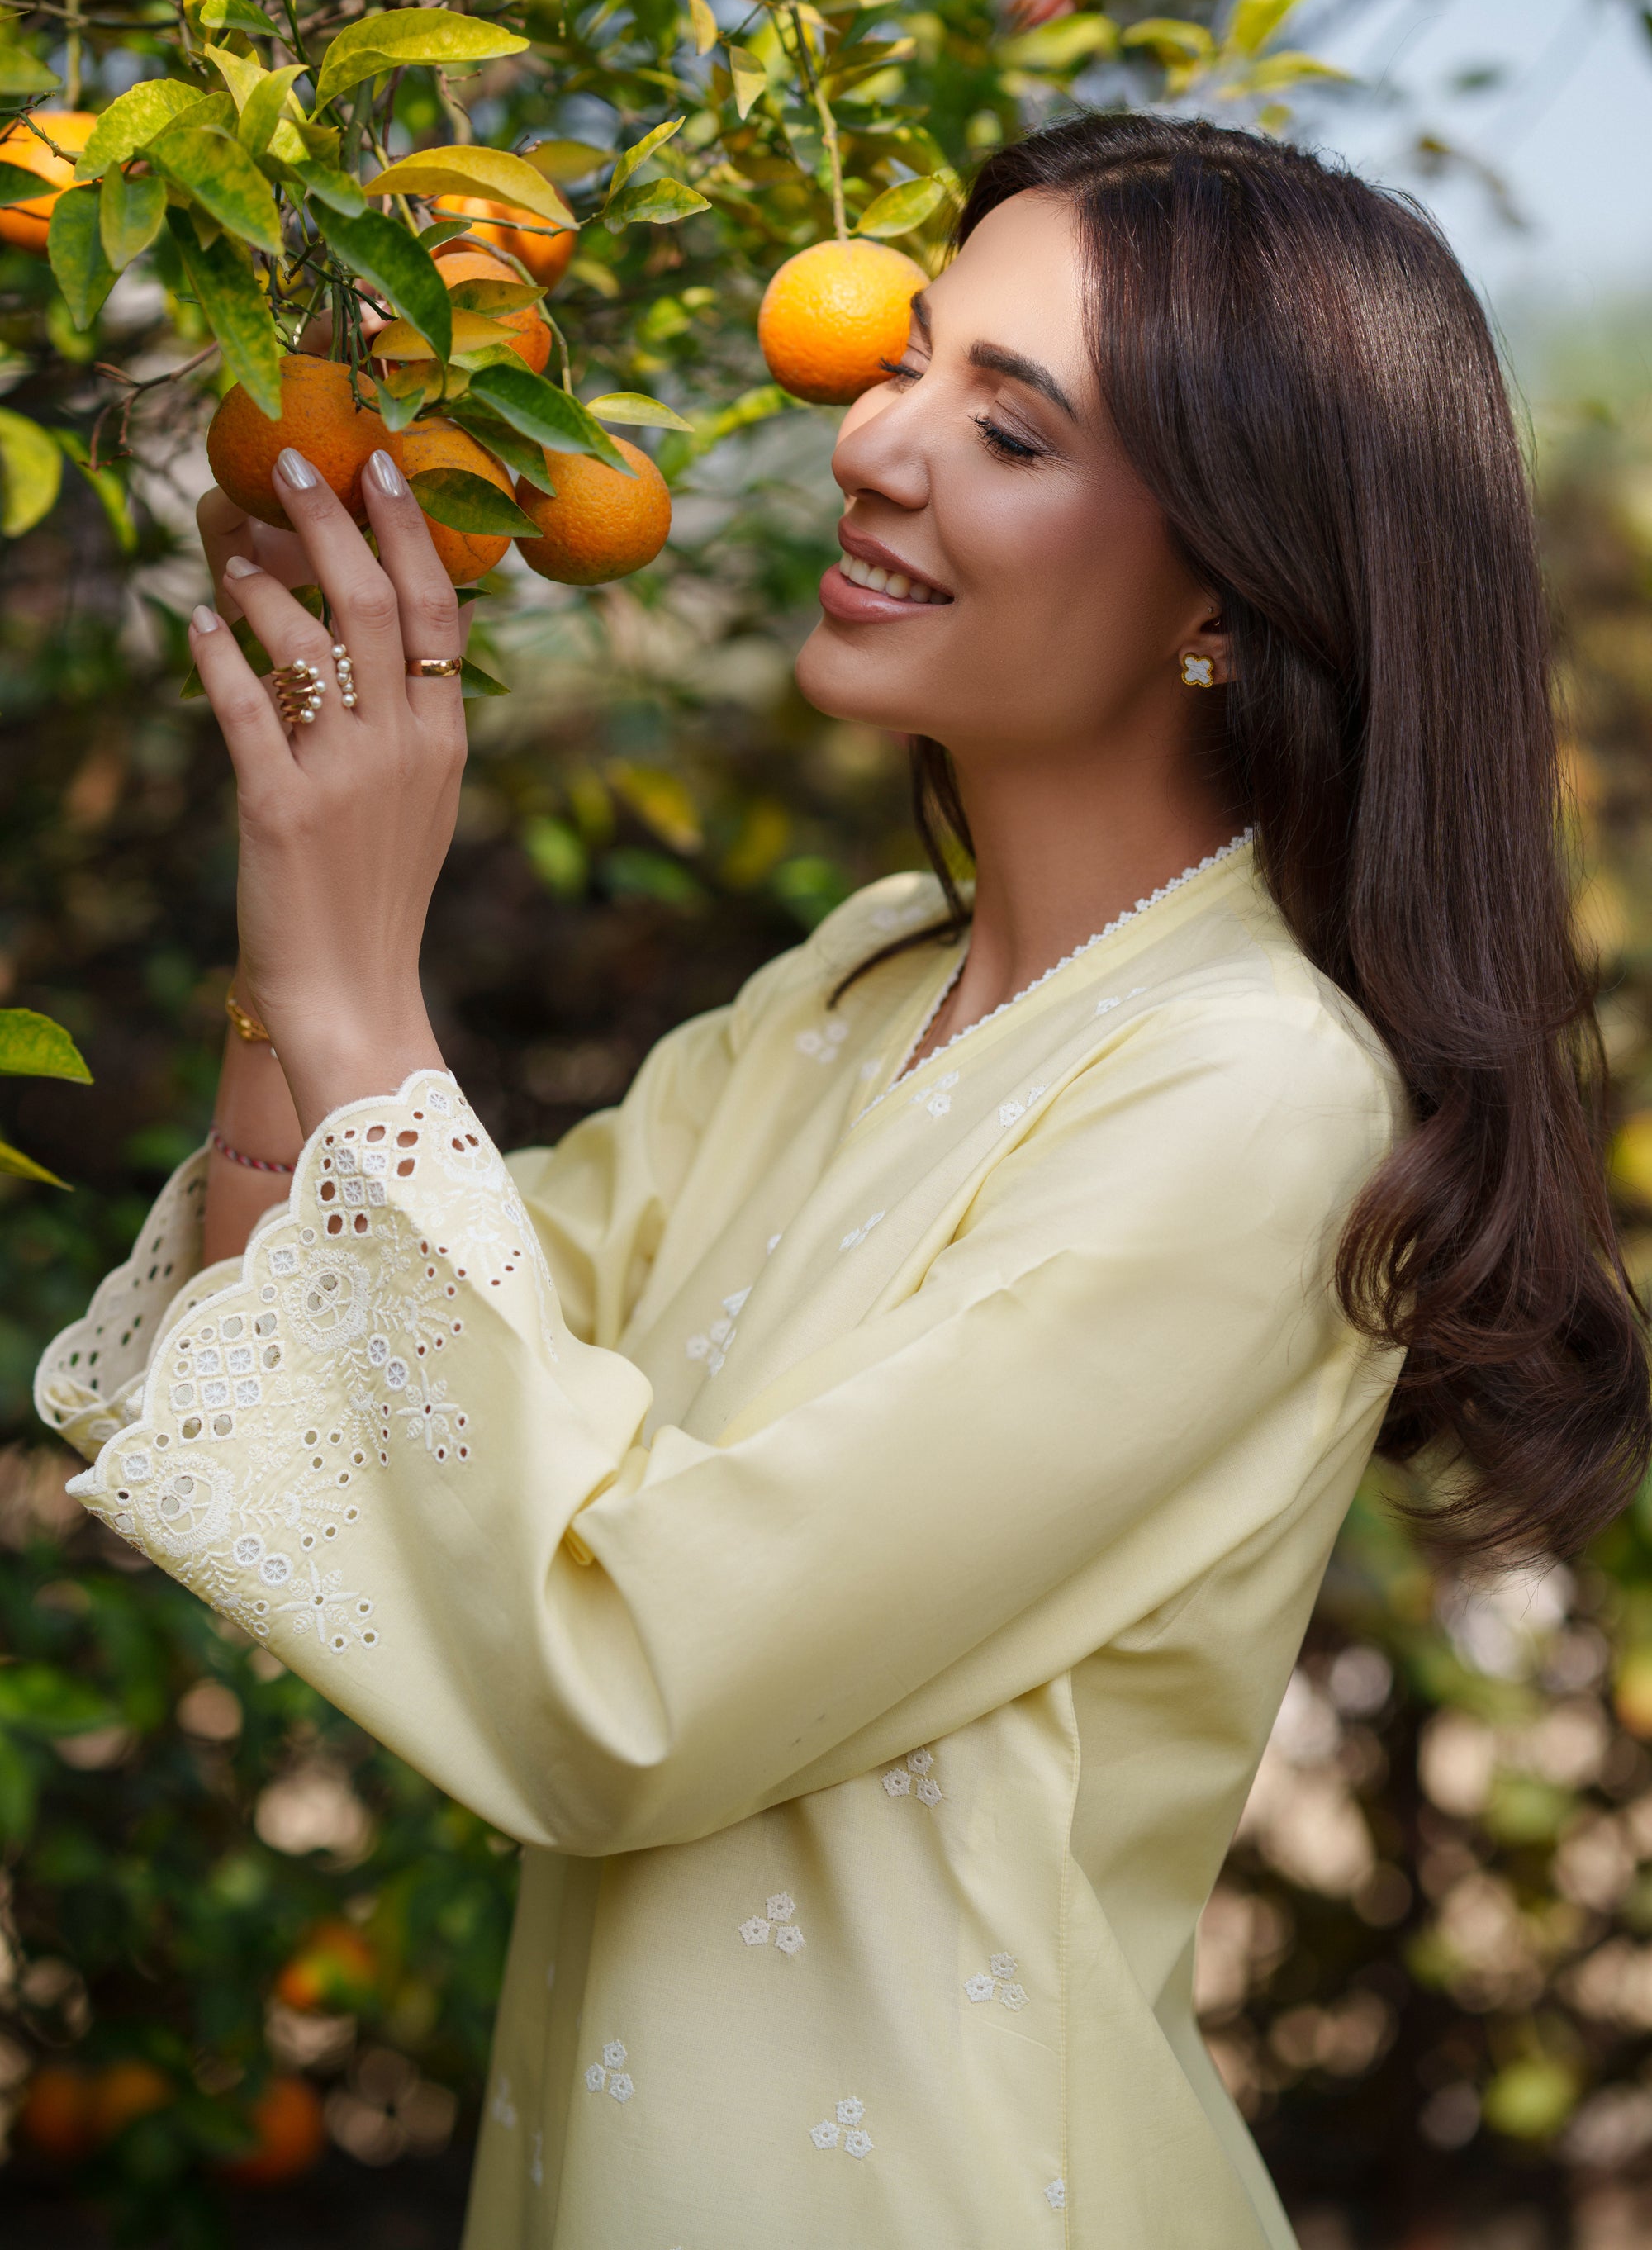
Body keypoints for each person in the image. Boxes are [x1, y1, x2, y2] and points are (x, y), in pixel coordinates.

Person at [35, 112, 1649, 2249]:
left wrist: (363, 997)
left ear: (1229, 595)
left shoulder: (1259, 1101)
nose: (873, 443)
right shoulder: (855, 987)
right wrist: (294, 950)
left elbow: (619, 1683)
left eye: (1011, 426)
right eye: (906, 364)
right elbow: (349, 1389)